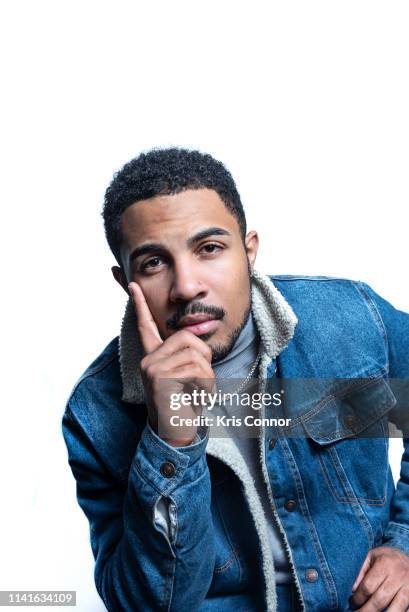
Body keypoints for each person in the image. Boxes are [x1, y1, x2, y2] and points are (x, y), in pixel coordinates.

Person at [62, 148, 409, 612]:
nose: (187, 286)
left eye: (209, 249)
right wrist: (171, 438)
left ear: (249, 250)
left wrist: (405, 543)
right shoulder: (96, 412)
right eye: (153, 263)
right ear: (124, 280)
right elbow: (147, 604)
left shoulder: (350, 321)